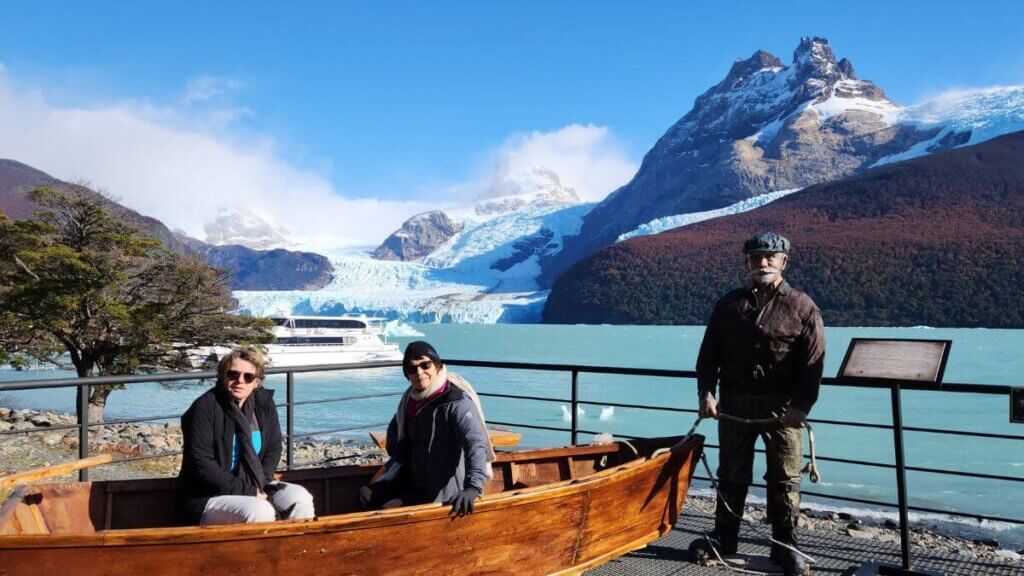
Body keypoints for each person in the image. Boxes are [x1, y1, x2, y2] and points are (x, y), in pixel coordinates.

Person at [693, 232, 825, 576]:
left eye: (770, 257)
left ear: (784, 262)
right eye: (755, 257)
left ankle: (785, 546)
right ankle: (724, 539)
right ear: (746, 262)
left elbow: (814, 364)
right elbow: (708, 357)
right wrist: (706, 393)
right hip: (733, 406)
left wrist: (802, 406)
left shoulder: (802, 306)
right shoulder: (728, 306)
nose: (762, 262)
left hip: (783, 411)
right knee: (731, 475)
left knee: (784, 479)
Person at [177, 347, 315, 525]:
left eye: (248, 377)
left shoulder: (263, 405)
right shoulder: (205, 408)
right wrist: (247, 491)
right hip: (207, 494)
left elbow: (273, 448)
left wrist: (262, 482)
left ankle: (297, 550)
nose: (239, 381)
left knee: (300, 498)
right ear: (223, 376)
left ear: (257, 382)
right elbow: (201, 463)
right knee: (259, 510)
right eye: (233, 374)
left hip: (256, 483)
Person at [360, 341, 496, 517]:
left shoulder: (456, 402)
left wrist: (473, 487)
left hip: (441, 487)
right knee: (365, 495)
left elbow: (475, 443)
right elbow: (395, 434)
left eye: (425, 365)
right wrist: (398, 451)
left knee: (388, 512)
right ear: (407, 374)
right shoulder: (410, 400)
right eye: (412, 368)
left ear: (437, 366)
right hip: (412, 476)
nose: (419, 372)